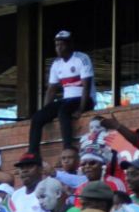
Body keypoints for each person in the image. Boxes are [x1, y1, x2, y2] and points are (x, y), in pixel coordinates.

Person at [29, 30, 95, 158]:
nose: (58, 48)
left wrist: (81, 109)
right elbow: (51, 90)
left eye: (62, 45)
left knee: (63, 112)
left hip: (83, 98)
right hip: (67, 100)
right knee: (37, 117)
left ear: (70, 45)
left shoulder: (81, 58)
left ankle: (68, 148)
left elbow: (86, 86)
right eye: (56, 45)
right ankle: (33, 153)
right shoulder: (56, 64)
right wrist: (46, 111)